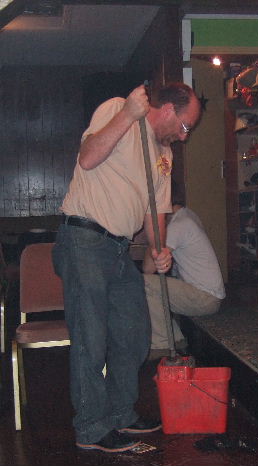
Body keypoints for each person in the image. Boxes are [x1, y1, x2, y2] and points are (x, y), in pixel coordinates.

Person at [52, 82, 201, 453]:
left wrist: (159, 248)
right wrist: (127, 115)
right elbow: (88, 157)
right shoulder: (118, 108)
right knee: (91, 338)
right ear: (167, 109)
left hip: (119, 249)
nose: (184, 137)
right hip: (84, 238)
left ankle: (120, 413)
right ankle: (90, 427)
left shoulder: (164, 153)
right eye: (184, 126)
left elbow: (157, 211)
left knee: (134, 332)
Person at [143, 195, 225, 357]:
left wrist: (154, 233)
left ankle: (162, 345)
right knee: (157, 284)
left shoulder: (178, 225)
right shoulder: (188, 215)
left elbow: (148, 268)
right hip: (208, 295)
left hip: (204, 297)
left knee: (145, 282)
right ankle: (176, 340)